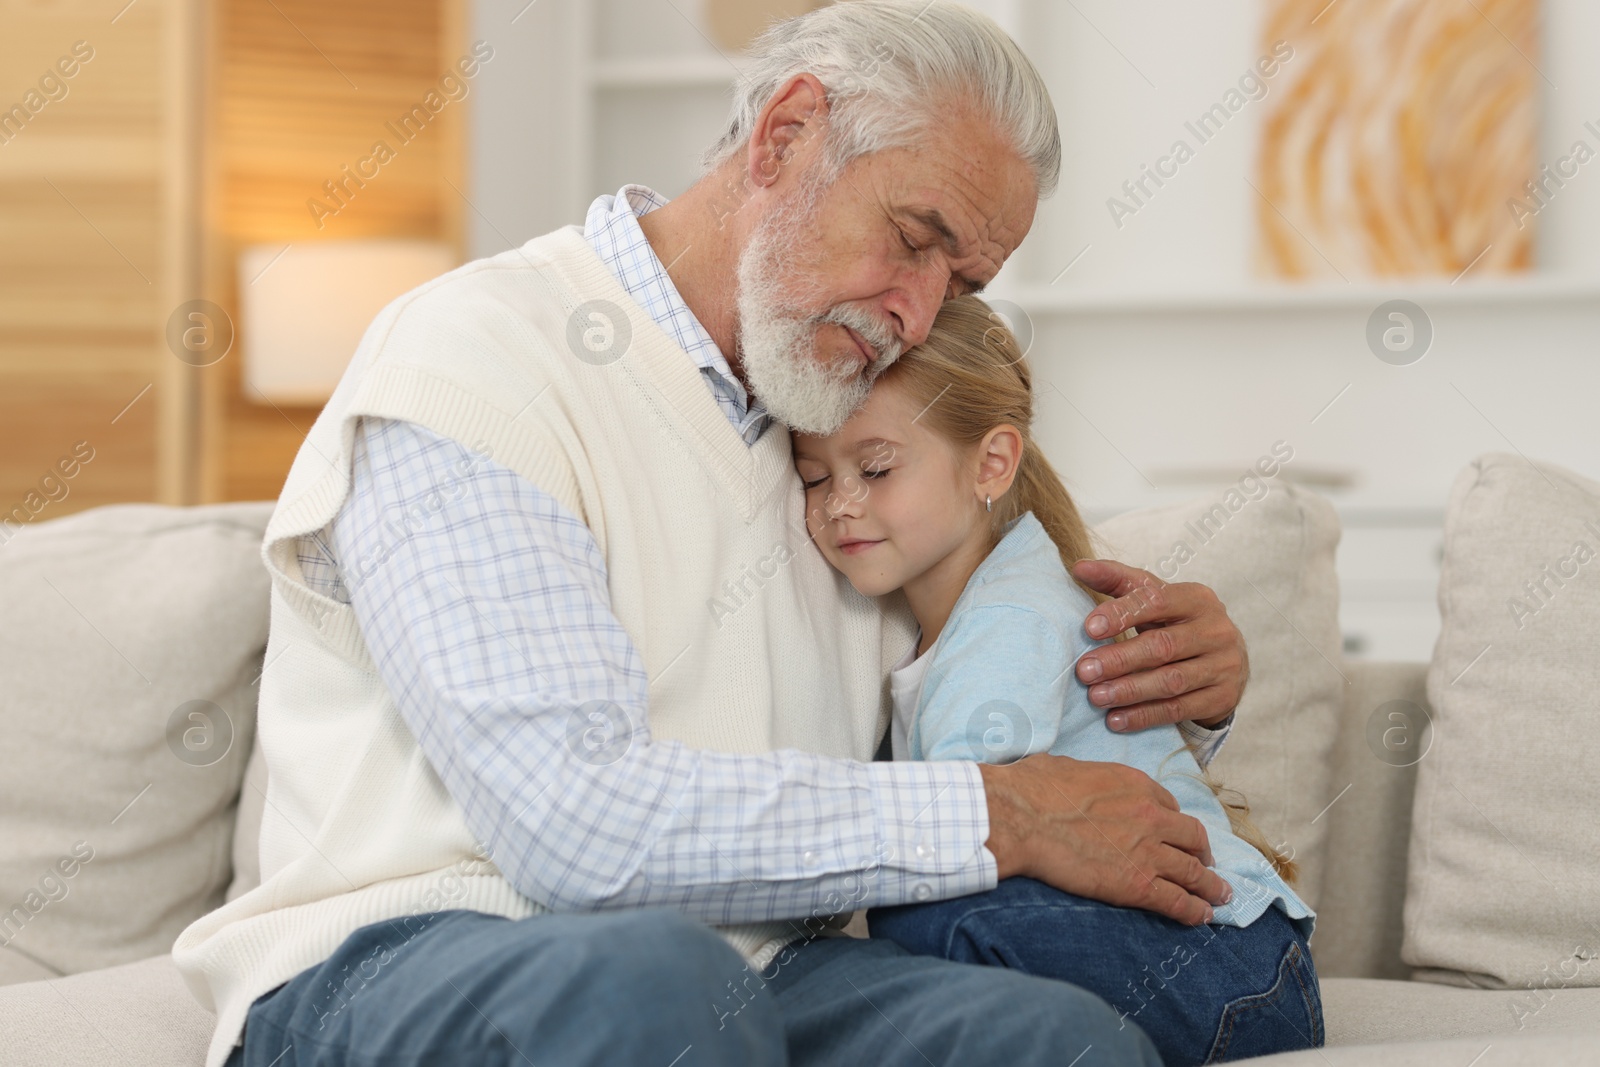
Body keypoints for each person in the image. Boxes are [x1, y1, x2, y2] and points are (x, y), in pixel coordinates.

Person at [174, 3, 1254, 1065]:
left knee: (1051, 1037)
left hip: (768, 963)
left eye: (960, 284)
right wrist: (997, 812)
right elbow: (573, 828)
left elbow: (981, 685)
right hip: (413, 955)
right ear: (785, 136)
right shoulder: (476, 355)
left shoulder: (842, 431)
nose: (918, 317)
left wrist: (1165, 678)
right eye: (913, 242)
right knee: (656, 985)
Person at [792, 295, 1322, 1065]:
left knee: (930, 911)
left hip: (1230, 966)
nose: (841, 503)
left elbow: (951, 830)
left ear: (992, 463)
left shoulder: (1011, 617)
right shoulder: (939, 614)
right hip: (1229, 964)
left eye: (875, 468)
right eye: (813, 478)